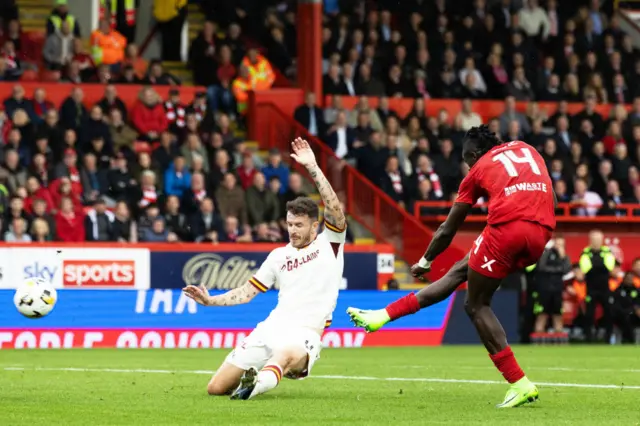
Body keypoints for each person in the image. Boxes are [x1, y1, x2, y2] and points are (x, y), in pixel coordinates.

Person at [348, 125, 556, 408]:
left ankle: (519, 383)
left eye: (466, 158)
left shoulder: (478, 168)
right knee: (460, 270)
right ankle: (382, 316)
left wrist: (425, 261)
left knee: (475, 305)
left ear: (473, 154)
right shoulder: (527, 149)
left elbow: (448, 229)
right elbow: (550, 195)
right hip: (542, 231)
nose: (467, 164)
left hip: (506, 230)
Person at [183, 137, 347, 400]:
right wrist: (210, 301)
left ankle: (254, 386)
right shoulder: (278, 256)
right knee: (215, 388)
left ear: (314, 226)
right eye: (290, 224)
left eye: (299, 225)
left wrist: (313, 168)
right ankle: (255, 378)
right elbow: (246, 292)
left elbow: (335, 209)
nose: (292, 230)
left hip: (306, 332)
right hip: (272, 327)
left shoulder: (331, 244)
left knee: (283, 356)